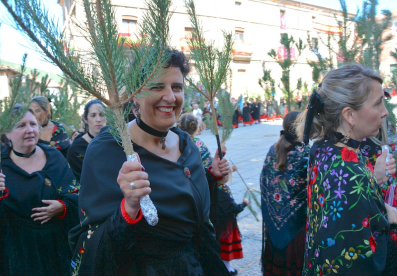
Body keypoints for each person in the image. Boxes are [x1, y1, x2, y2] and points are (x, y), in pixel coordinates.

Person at [68, 49, 231, 275]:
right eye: (157, 87)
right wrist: (128, 208)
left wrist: (211, 176)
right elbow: (90, 241)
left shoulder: (188, 145)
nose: (171, 97)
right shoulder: (107, 149)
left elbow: (196, 218)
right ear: (135, 93)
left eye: (177, 87)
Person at [296, 64, 397, 275]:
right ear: (350, 115)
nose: (385, 112)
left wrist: (375, 184)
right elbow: (359, 260)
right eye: (378, 103)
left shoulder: (325, 148)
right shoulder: (350, 174)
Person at [0, 104, 79, 276]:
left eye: (33, 124)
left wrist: (62, 207)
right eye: (21, 126)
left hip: (54, 251)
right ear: (6, 133)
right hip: (16, 255)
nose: (30, 130)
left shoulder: (55, 157)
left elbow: (76, 195)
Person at [177, 113, 248, 276]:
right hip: (205, 196)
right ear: (197, 128)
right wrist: (228, 171)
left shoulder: (173, 143)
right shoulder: (199, 145)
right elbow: (213, 175)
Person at [260, 111, 310, 276]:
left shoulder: (272, 150)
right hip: (298, 229)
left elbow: (264, 182)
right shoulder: (306, 153)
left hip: (274, 228)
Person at [67, 100, 106, 183]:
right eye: (93, 115)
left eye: (101, 115)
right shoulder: (76, 150)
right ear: (85, 119)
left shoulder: (114, 142)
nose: (98, 119)